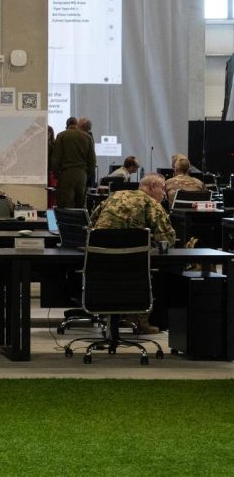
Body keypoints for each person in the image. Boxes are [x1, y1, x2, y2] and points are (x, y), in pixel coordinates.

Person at [89, 173, 176, 334]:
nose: (164, 194)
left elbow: (91, 226)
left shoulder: (113, 197)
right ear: (152, 186)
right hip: (132, 268)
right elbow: (167, 239)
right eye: (163, 189)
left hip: (101, 265)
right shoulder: (151, 204)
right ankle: (140, 319)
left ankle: (122, 316)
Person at [50, 118, 96, 209]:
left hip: (66, 174)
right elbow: (92, 161)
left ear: (67, 125)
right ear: (76, 124)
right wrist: (86, 174)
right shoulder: (87, 137)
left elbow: (55, 159)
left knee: (66, 204)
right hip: (82, 175)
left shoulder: (61, 136)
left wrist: (56, 175)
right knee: (80, 205)